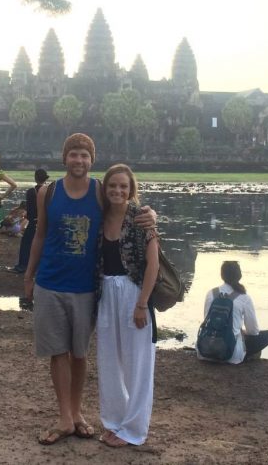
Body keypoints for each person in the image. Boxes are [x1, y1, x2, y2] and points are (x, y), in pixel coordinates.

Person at [23, 133, 156, 446]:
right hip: (50, 282)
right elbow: (39, 235)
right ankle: (65, 417)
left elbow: (126, 208)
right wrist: (29, 275)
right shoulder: (48, 191)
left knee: (80, 353)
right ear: (65, 158)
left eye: (84, 155)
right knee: (58, 352)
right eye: (74, 154)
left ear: (91, 160)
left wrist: (151, 215)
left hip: (86, 287)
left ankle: (79, 413)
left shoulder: (99, 191)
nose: (79, 160)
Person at [97, 164, 159, 447]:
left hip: (134, 293)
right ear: (105, 189)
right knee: (109, 361)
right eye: (113, 186)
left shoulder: (142, 218)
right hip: (106, 292)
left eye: (123, 186)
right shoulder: (99, 216)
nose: (117, 191)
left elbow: (153, 264)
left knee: (138, 365)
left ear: (131, 190)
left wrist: (142, 303)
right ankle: (114, 421)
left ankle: (134, 429)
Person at [197, 261, 268, 364]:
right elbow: (253, 331)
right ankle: (246, 355)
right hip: (232, 356)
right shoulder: (244, 298)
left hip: (205, 350)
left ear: (222, 275)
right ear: (239, 276)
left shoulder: (211, 293)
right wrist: (243, 331)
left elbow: (208, 319)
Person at [7, 168, 49, 273]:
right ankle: (41, 268)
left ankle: (22, 266)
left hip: (34, 221)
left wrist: (28, 218)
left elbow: (29, 210)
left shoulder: (31, 191)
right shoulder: (49, 190)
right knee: (44, 245)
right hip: (46, 222)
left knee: (26, 244)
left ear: (35, 178)